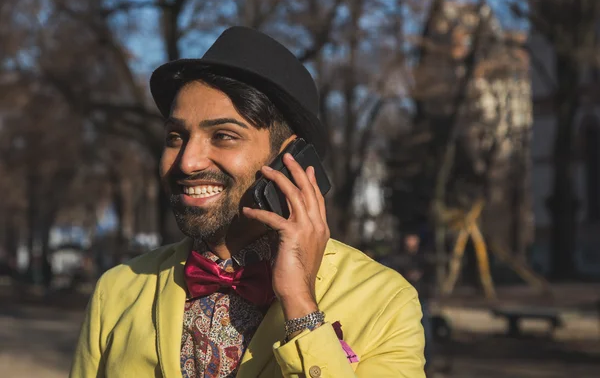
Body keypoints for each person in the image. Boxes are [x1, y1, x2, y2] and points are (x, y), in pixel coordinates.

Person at [70, 26, 425, 378]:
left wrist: (301, 306)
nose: (188, 162)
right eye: (176, 137)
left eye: (224, 136)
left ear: (292, 160)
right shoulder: (117, 292)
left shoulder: (385, 301)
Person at [395, 230, 434, 372]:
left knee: (426, 334)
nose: (411, 241)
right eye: (409, 238)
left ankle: (427, 365)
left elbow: (430, 278)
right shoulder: (399, 258)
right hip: (405, 302)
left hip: (422, 300)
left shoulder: (423, 258)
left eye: (413, 238)